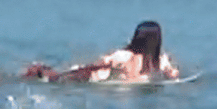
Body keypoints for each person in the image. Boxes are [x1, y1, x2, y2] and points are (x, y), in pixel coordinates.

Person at [24, 20, 180, 83]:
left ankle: (36, 71)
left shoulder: (124, 56)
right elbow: (173, 74)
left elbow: (96, 65)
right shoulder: (159, 61)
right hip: (117, 86)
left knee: (53, 75)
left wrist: (66, 74)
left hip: (103, 81)